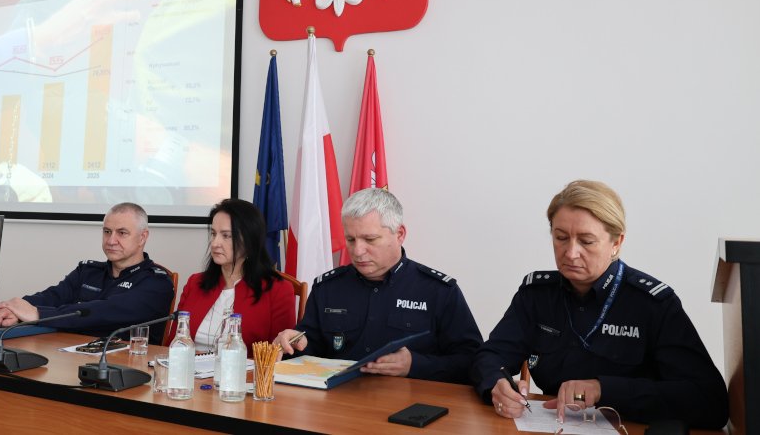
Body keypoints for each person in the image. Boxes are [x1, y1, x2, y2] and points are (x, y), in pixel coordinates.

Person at [471, 180, 728, 429]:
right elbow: (489, 356)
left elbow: (710, 400)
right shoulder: (536, 295)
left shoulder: (653, 304)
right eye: (561, 237)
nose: (571, 253)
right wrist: (497, 384)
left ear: (616, 243)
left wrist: (603, 389)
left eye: (586, 241)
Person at [273, 188, 483, 383]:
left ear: (400, 234)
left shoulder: (438, 291)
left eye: (370, 239)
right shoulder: (327, 288)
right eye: (351, 239)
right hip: (339, 401)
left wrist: (415, 365)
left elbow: (472, 360)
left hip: (412, 402)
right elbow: (310, 347)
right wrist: (293, 343)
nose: (357, 251)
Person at [0, 202, 174, 343]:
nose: (111, 240)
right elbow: (52, 297)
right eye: (107, 231)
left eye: (122, 233)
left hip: (125, 369)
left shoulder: (157, 283)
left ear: (142, 237)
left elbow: (104, 312)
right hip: (69, 357)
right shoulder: (88, 272)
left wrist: (38, 314)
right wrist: (12, 309)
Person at [167, 198, 295, 352]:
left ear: (249, 241)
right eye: (213, 234)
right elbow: (171, 345)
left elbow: (281, 354)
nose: (215, 243)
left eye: (226, 236)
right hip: (189, 366)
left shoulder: (278, 290)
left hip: (245, 368)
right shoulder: (195, 283)